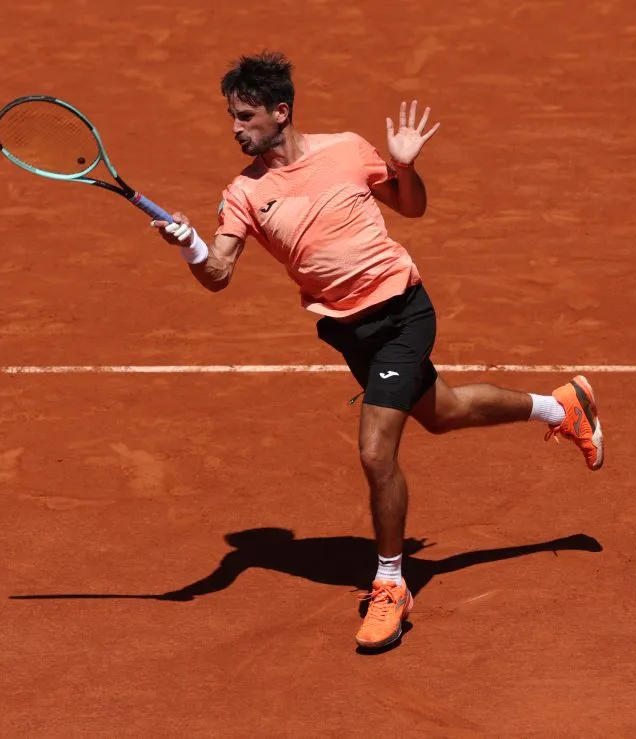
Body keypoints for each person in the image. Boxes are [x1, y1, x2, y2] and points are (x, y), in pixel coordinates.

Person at [150, 51, 604, 650]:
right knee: (442, 413)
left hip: (402, 311)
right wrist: (187, 246)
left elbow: (411, 206)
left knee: (373, 451)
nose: (236, 128)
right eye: (232, 117)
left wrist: (404, 167)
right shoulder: (242, 194)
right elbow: (219, 274)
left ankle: (391, 583)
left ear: (280, 111)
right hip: (348, 330)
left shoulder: (346, 150)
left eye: (245, 116)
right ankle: (561, 407)